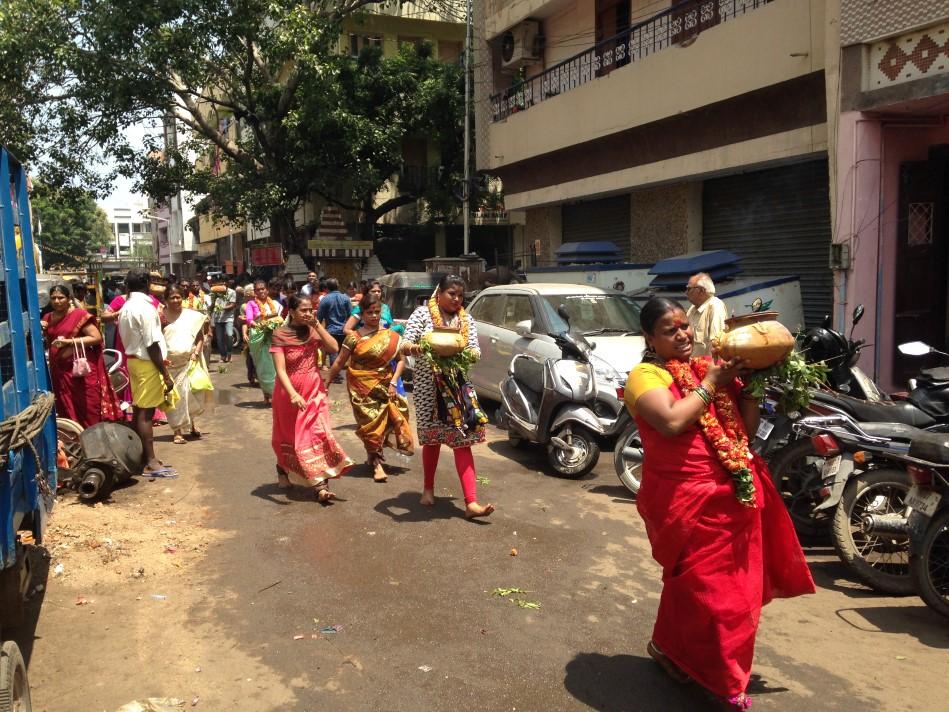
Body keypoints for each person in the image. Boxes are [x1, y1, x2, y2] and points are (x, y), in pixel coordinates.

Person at [623, 296, 814, 710]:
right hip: (685, 501)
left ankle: (667, 647)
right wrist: (712, 383)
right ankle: (726, 681)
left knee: (704, 591)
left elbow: (744, 431)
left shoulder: (702, 369)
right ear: (649, 338)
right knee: (717, 598)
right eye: (670, 329)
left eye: (684, 326)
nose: (682, 334)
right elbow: (672, 421)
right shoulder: (644, 375)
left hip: (733, 498)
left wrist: (750, 388)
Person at [401, 275, 494, 519]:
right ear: (439, 293)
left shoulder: (466, 319)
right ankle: (428, 489)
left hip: (456, 386)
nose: (456, 299)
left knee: (462, 440)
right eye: (452, 294)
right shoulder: (422, 315)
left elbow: (475, 348)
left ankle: (471, 503)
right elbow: (404, 344)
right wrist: (419, 348)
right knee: (431, 440)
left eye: (460, 296)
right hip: (427, 387)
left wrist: (468, 353)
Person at [270, 295, 354, 502]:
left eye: (311, 310)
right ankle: (282, 469)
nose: (308, 314)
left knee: (318, 435)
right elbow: (280, 370)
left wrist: (318, 325)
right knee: (290, 438)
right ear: (291, 312)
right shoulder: (280, 335)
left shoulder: (313, 331)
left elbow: (334, 348)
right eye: (303, 310)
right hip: (289, 394)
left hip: (315, 391)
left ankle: (320, 486)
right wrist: (293, 394)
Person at [327, 294, 414, 482]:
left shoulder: (390, 336)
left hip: (385, 385)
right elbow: (339, 362)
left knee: (388, 422)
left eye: (377, 312)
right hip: (360, 388)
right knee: (370, 425)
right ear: (362, 314)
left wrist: (393, 382)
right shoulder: (353, 338)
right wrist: (325, 384)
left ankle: (372, 455)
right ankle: (377, 465)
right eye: (369, 313)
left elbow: (401, 362)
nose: (374, 316)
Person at [118, 268, 178, 475]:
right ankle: (150, 460)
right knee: (146, 413)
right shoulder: (145, 308)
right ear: (146, 284)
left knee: (140, 410)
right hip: (146, 363)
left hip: (134, 362)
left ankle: (142, 457)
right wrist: (165, 374)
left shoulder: (127, 306)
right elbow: (152, 344)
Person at [44, 284, 123, 428]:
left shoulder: (78, 315)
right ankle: (75, 445)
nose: (56, 301)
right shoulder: (48, 318)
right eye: (53, 298)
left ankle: (95, 442)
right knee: (66, 410)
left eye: (60, 298)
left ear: (68, 299)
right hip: (60, 373)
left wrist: (68, 342)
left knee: (89, 409)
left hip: (81, 372)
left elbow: (97, 337)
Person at [162, 285, 210, 445]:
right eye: (172, 297)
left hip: (189, 362)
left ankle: (192, 425)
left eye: (178, 297)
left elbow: (200, 337)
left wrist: (196, 353)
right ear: (166, 300)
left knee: (191, 394)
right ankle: (177, 431)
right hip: (168, 364)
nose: (176, 300)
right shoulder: (161, 317)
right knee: (174, 397)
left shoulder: (192, 316)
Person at [245, 279, 282, 404]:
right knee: (263, 366)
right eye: (258, 289)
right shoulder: (251, 304)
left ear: (267, 290)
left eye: (263, 289)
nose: (261, 291)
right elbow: (249, 319)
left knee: (276, 366)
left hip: (274, 337)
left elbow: (280, 318)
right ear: (254, 291)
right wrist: (256, 323)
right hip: (259, 338)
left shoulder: (275, 304)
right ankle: (266, 394)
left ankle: (276, 394)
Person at [686, 272, 728, 357]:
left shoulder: (715, 306)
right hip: (692, 366)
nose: (686, 292)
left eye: (689, 289)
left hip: (707, 367)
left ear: (701, 290)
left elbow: (716, 343)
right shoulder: (692, 309)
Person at [316, 278, 352, 369]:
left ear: (326, 288)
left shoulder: (325, 299)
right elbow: (350, 314)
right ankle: (337, 372)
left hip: (331, 331)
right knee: (341, 352)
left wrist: (317, 329)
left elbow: (319, 316)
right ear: (338, 286)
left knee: (333, 352)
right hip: (344, 330)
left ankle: (335, 374)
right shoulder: (346, 298)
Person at [208, 278, 237, 363]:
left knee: (229, 334)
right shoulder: (214, 293)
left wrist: (222, 308)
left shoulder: (232, 292)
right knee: (219, 338)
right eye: (219, 284)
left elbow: (232, 305)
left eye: (223, 283)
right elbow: (212, 305)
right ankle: (222, 356)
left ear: (227, 283)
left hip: (228, 317)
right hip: (217, 318)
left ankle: (229, 353)